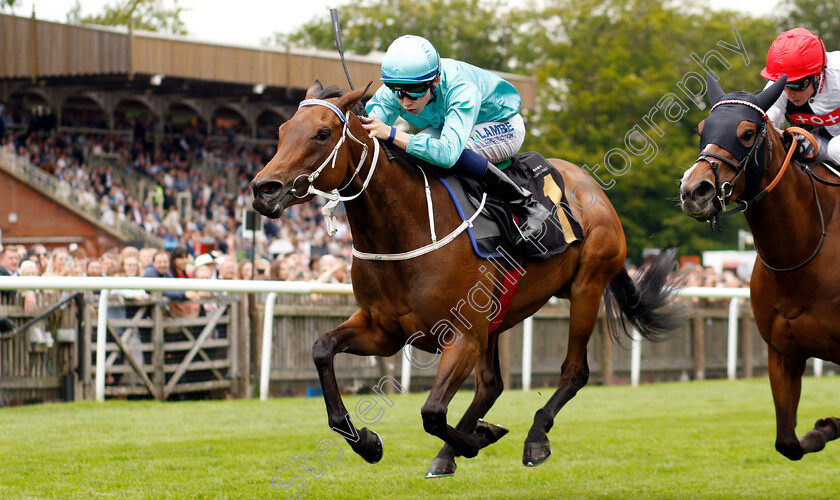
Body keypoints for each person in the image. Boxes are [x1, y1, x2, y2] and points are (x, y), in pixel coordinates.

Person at [361, 34, 548, 244]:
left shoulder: (461, 88)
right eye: (397, 91)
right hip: (453, 126)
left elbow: (448, 154)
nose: (405, 101)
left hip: (502, 124)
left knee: (450, 153)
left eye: (414, 92)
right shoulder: (399, 88)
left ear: (435, 80)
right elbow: (369, 127)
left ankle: (526, 204)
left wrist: (393, 133)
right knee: (415, 151)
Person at [761, 28, 840, 166]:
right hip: (822, 145)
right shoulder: (777, 82)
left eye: (797, 85)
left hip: (833, 147)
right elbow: (764, 122)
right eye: (784, 86)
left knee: (835, 148)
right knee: (793, 141)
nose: (789, 94)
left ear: (817, 74)